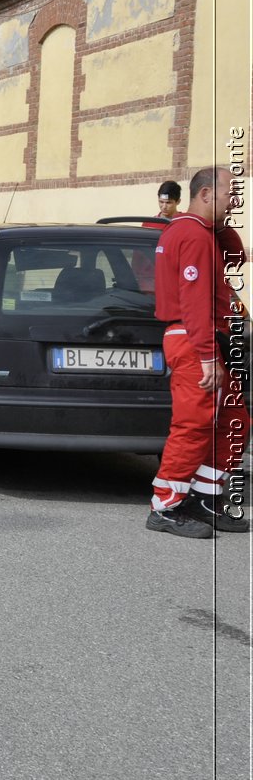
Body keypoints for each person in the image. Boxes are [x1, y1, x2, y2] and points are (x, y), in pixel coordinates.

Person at [147, 166, 248, 537]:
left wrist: (220, 225)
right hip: (195, 340)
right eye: (229, 196)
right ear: (206, 194)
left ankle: (204, 497)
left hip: (204, 338)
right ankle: (166, 506)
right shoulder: (191, 235)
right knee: (193, 426)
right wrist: (207, 355)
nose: (235, 202)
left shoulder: (201, 232)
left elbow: (235, 256)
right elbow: (193, 299)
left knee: (234, 419)